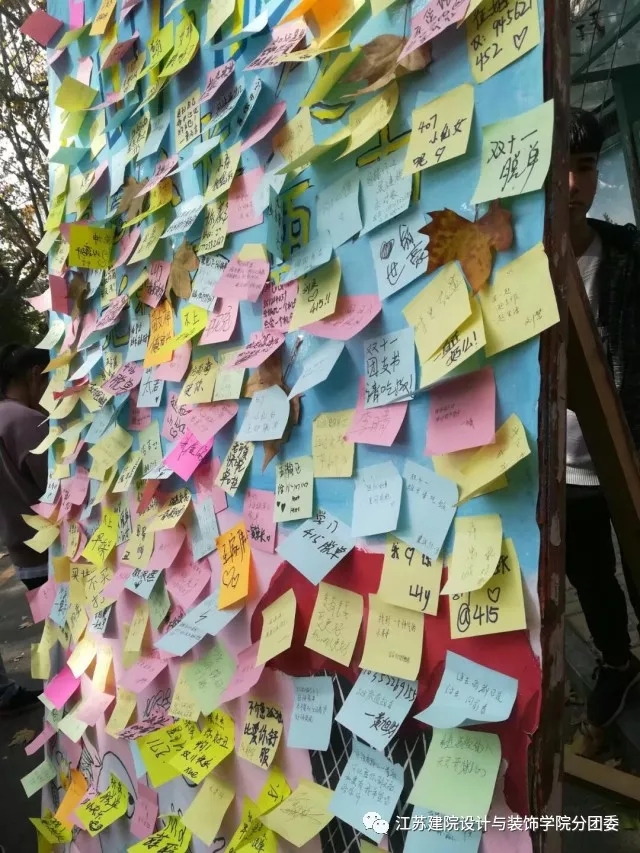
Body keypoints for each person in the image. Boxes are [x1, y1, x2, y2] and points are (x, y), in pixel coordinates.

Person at [566, 107, 640, 727]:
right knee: (592, 582)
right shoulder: (517, 267)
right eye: (560, 168)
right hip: (564, 469)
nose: (573, 184)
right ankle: (618, 663)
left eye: (586, 167)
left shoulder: (626, 260)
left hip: (629, 454)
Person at [0, 343, 50, 715]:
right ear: (35, 375)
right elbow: (57, 488)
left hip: (20, 553)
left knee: (52, 632)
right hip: (50, 551)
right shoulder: (28, 422)